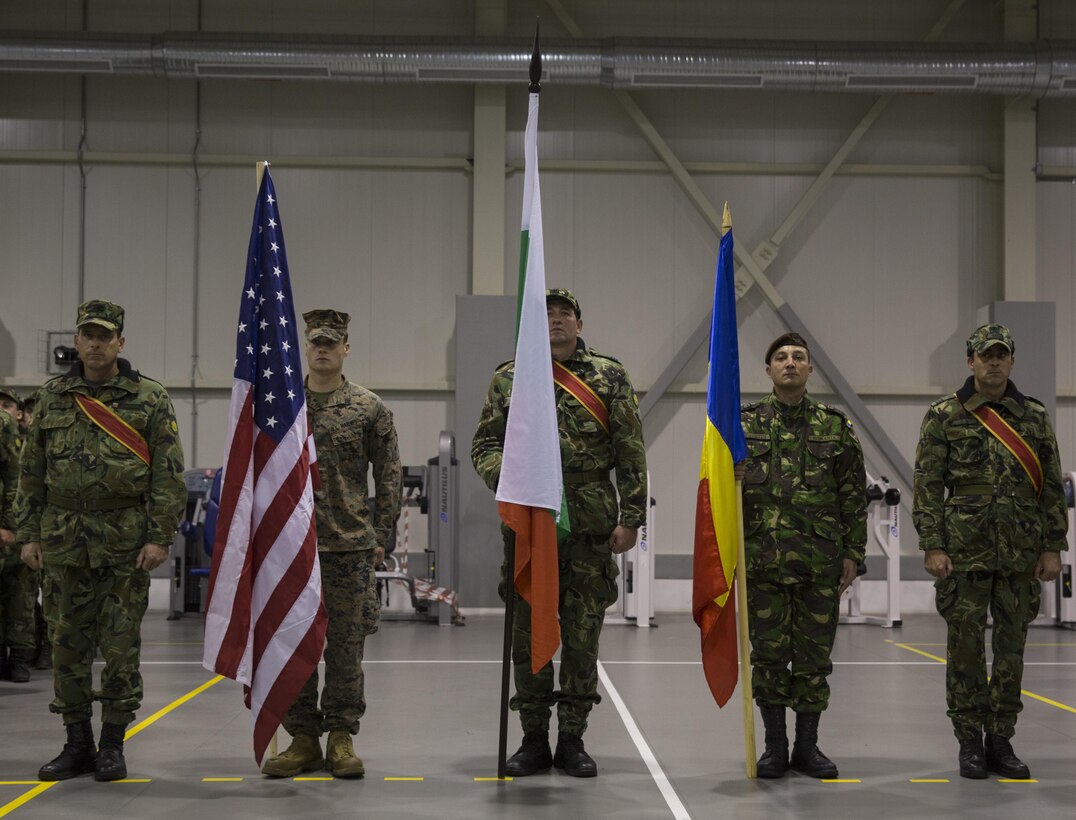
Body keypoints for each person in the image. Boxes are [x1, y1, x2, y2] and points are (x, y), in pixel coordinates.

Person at [471, 288, 647, 778]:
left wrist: (632, 516)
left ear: (579, 323)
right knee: (529, 637)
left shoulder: (608, 376)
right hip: (532, 527)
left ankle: (571, 738)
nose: (555, 321)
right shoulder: (510, 376)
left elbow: (630, 449)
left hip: (590, 527)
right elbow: (484, 443)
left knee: (582, 637)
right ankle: (532, 739)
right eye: (545, 315)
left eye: (564, 313)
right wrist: (512, 483)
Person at [15, 299, 186, 782]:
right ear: (76, 340)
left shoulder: (148, 398)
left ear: (120, 343)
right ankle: (76, 743)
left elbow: (168, 476)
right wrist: (27, 534)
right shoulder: (51, 398)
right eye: (87, 334)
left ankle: (112, 743)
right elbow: (31, 474)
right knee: (66, 643)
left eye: (104, 336)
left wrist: (160, 535)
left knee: (119, 646)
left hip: (124, 541)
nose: (95, 343)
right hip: (63, 539)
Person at [913, 324, 1066, 780]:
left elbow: (1052, 487)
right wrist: (932, 544)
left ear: (1012, 362)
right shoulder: (945, 415)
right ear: (971, 362)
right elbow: (927, 485)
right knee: (964, 650)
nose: (994, 362)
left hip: (1020, 552)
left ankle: (1001, 739)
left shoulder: (1034, 416)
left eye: (1001, 355)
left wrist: (1053, 546)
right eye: (985, 355)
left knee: (1011, 649)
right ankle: (968, 743)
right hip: (964, 553)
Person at [261, 309, 402, 779]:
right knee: (295, 643)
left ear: (345, 349)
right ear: (306, 346)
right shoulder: (282, 404)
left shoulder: (368, 407)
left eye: (331, 342)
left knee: (345, 649)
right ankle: (303, 738)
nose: (322, 348)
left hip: (348, 547)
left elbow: (389, 477)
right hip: (291, 548)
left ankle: (341, 736)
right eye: (315, 341)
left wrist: (380, 536)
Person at [735, 332, 866, 779]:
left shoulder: (835, 426)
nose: (790, 363)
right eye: (781, 357)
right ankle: (774, 747)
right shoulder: (741, 425)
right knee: (769, 660)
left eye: (798, 357)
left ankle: (807, 747)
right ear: (768, 369)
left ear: (810, 370)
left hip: (819, 565)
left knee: (813, 662)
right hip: (761, 564)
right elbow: (718, 494)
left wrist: (854, 553)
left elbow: (853, 497)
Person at [1, 390, 35, 683]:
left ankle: (21, 658)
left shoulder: (30, 444)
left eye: (7, 405)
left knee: (23, 600)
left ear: (19, 413)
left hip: (22, 533)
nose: (2, 411)